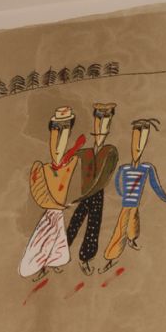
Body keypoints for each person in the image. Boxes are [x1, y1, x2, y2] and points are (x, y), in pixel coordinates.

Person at [100, 117, 166, 273]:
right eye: (135, 143)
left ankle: (131, 240)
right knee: (121, 228)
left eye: (141, 144)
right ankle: (111, 258)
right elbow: (117, 183)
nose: (137, 148)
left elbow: (156, 186)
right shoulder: (124, 168)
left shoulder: (147, 168)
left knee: (133, 220)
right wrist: (122, 194)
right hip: (126, 204)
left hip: (133, 204)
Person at [19, 106, 85, 281]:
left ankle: (53, 261)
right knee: (45, 236)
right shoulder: (45, 169)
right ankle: (38, 265)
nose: (60, 137)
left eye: (65, 129)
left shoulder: (70, 163)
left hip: (57, 211)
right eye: (56, 130)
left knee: (57, 236)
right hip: (53, 211)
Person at [67, 103, 118, 275]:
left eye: (106, 121)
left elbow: (105, 177)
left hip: (96, 194)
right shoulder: (86, 152)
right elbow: (69, 160)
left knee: (93, 226)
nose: (101, 127)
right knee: (75, 221)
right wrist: (75, 147)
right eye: (98, 120)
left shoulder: (110, 151)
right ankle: (61, 252)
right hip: (84, 193)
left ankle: (85, 258)